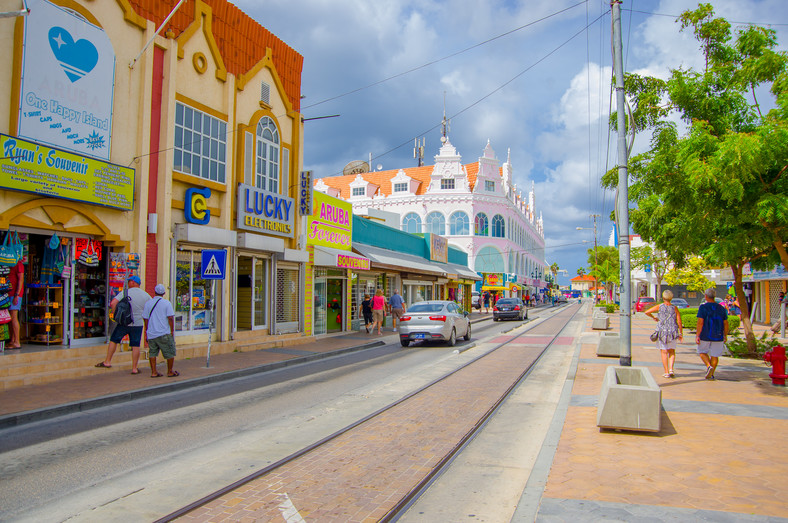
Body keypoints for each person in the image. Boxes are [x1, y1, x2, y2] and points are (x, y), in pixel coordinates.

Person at [96, 275, 151, 374]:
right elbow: (150, 308)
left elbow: (113, 303)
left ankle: (107, 361)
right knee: (136, 345)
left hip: (124, 322)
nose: (128, 283)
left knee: (114, 340)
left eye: (129, 281)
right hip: (138, 323)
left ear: (133, 282)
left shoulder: (126, 292)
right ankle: (134, 368)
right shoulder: (146, 295)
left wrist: (115, 316)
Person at [645, 289, 683, 378]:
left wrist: (654, 317)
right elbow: (679, 320)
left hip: (662, 332)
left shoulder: (659, 306)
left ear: (663, 297)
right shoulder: (674, 308)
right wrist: (680, 333)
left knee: (664, 352)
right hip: (673, 331)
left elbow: (647, 312)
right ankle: (671, 369)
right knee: (672, 351)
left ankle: (666, 372)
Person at [142, 284, 178, 378]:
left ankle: (153, 372)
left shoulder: (148, 303)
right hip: (164, 333)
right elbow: (170, 318)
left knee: (152, 353)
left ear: (155, 292)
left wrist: (147, 330)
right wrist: (172, 331)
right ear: (164, 293)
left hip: (152, 333)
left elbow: (145, 319)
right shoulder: (167, 303)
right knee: (169, 352)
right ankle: (170, 371)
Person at [696, 288, 728, 380]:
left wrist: (698, 334)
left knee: (702, 352)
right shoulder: (721, 308)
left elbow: (700, 322)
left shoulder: (703, 307)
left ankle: (708, 365)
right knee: (715, 355)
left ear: (705, 296)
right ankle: (712, 373)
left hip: (705, 334)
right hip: (718, 335)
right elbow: (726, 323)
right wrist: (725, 335)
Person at [7, 260, 24, 349]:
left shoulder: (19, 264)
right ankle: (12, 340)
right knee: (10, 318)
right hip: (9, 293)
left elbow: (21, 279)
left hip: (14, 294)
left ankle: (17, 342)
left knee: (14, 317)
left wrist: (17, 294)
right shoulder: (9, 263)